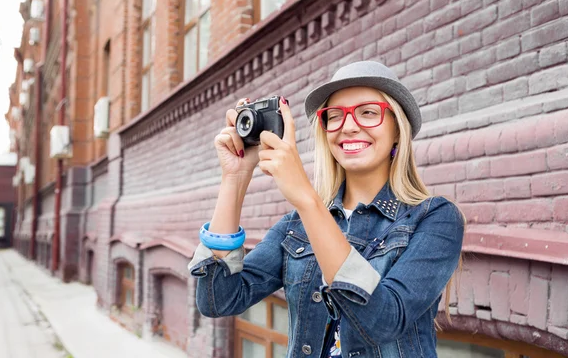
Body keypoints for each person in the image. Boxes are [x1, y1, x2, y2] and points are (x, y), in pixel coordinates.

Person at [188, 61, 465, 358]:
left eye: (368, 112)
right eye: (335, 116)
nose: (347, 126)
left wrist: (308, 199)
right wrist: (235, 177)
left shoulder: (434, 218)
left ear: (398, 129)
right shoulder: (296, 225)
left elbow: (384, 320)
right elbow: (219, 299)